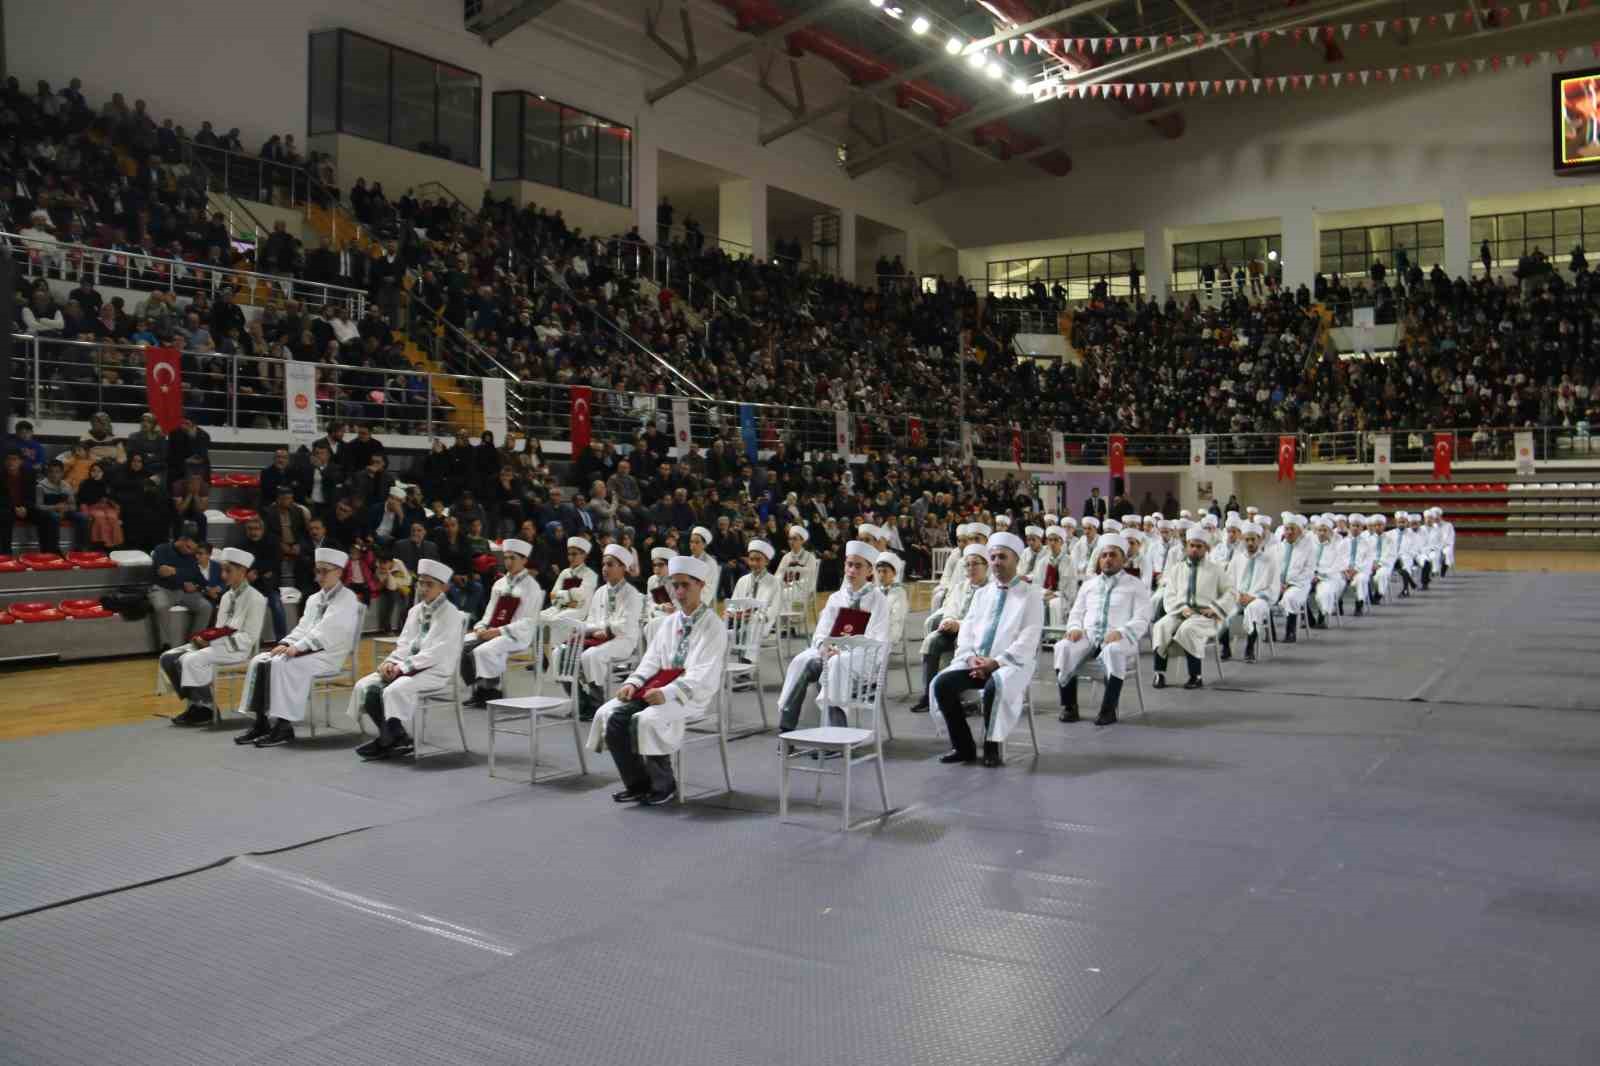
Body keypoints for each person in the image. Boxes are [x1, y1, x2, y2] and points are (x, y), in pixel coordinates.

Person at [587, 554, 726, 806]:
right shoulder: (669, 622)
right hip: (659, 686)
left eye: (686, 585)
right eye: (675, 585)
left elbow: (702, 673)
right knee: (611, 714)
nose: (680, 592)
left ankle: (664, 784)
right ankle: (637, 784)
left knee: (646, 719)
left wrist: (669, 692)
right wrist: (633, 683)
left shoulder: (713, 625)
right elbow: (651, 660)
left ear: (701, 586)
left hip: (691, 694)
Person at [930, 532, 1044, 768]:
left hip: (1013, 664)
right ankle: (964, 747)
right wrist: (971, 658)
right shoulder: (982, 594)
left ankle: (992, 746)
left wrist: (996, 662)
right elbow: (968, 631)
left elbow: (1029, 638)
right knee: (942, 684)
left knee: (995, 686)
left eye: (1002, 557)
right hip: (976, 662)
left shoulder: (1031, 594)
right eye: (992, 557)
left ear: (1015, 560)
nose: (996, 562)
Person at [233, 547, 362, 747]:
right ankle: (261, 722)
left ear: (338, 572)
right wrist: (285, 643)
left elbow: (328, 632)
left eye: (324, 571)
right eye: (317, 571)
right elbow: (303, 628)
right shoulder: (314, 598)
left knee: (284, 664)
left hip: (328, 655)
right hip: (309, 650)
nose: (319, 576)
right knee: (260, 660)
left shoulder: (347, 599)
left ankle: (284, 726)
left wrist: (298, 648)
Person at [346, 559, 465, 760]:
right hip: (407, 666)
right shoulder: (415, 610)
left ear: (443, 587)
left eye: (430, 584)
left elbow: (436, 652)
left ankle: (390, 739)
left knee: (393, 689)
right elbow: (404, 645)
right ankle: (395, 736)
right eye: (421, 583)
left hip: (435, 670)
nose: (424, 588)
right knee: (365, 686)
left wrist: (402, 667)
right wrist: (390, 663)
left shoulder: (451, 614)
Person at [776, 540, 889, 733]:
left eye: (858, 566)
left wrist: (846, 649)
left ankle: (837, 732)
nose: (852, 570)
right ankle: (787, 727)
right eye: (849, 564)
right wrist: (825, 646)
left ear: (869, 571)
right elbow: (822, 631)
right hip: (832, 653)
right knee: (802, 661)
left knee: (834, 666)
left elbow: (877, 639)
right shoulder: (836, 598)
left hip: (862, 658)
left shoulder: (878, 599)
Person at [159, 547, 267, 726]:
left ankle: (207, 708)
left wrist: (213, 642)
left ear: (242, 571)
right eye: (223, 570)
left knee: (189, 660)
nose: (223, 575)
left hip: (237, 649)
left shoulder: (256, 599)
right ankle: (196, 704)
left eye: (228, 571)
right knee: (168, 658)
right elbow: (219, 629)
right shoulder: (226, 596)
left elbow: (249, 637)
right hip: (219, 645)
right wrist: (205, 639)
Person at [1053, 533, 1153, 726]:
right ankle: (1069, 707)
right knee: (1063, 647)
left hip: (1121, 639)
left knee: (1114, 650)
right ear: (1099, 559)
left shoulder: (1135, 585)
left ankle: (1108, 709)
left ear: (1123, 559)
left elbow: (1142, 617)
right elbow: (1077, 612)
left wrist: (1122, 632)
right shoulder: (1089, 585)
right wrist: (1074, 628)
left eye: (1113, 555)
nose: (1108, 559)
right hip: (1089, 636)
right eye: (1104, 555)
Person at [461, 538, 543, 708]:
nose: (508, 562)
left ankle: (490, 689)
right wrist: (481, 627)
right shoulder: (499, 583)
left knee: (485, 650)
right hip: (494, 630)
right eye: (506, 558)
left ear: (524, 561)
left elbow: (528, 621)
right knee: (461, 643)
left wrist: (498, 631)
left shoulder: (531, 586)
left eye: (513, 558)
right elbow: (489, 611)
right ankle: (482, 689)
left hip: (515, 635)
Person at [1151, 527, 1231, 691]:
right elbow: (1170, 595)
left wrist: (1215, 608)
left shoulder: (1216, 570)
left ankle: (1196, 676)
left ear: (1207, 549)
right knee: (1160, 626)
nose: (1194, 549)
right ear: (1187, 546)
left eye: (1199, 546)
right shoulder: (1177, 569)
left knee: (1188, 629)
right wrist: (1181, 608)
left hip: (1204, 616)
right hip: (1179, 612)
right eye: (1191, 545)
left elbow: (1231, 592)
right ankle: (1159, 673)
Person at [911, 544, 988, 713]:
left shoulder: (990, 589)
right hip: (953, 629)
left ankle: (961, 698)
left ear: (986, 566)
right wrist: (948, 620)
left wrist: (959, 625)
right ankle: (928, 694)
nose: (971, 568)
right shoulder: (960, 586)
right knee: (931, 641)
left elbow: (984, 619)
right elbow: (950, 608)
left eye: (976, 564)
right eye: (967, 564)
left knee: (960, 647)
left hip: (976, 636)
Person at [572, 544, 645, 719]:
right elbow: (590, 620)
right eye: (604, 564)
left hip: (623, 640)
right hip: (599, 638)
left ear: (623, 568)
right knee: (562, 653)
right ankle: (581, 701)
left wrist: (605, 630)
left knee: (591, 656)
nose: (605, 569)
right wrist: (591, 631)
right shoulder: (600, 592)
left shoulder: (632, 594)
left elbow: (626, 625)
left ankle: (597, 702)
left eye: (610, 564)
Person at [1223, 522, 1278, 663]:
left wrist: (1254, 597)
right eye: (1247, 539)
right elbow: (1228, 583)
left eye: (1253, 539)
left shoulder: (1270, 560)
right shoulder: (1237, 559)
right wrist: (1237, 595)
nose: (1250, 543)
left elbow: (1274, 586)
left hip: (1260, 598)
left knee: (1254, 608)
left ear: (1260, 540)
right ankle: (1225, 648)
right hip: (1239, 597)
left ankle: (1249, 648)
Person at [149, 524, 212, 642]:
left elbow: (199, 578)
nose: (191, 552)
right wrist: (183, 575)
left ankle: (193, 643)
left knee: (206, 607)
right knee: (161, 606)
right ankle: (166, 646)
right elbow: (162, 572)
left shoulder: (191, 555)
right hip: (162, 589)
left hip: (182, 591)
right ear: (182, 539)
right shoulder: (162, 549)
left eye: (193, 550)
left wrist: (197, 586)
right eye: (188, 547)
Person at [1273, 515, 1316, 642]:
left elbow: (1308, 571)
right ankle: (1270, 633)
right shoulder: (1278, 547)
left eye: (1293, 529)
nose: (1289, 532)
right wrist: (1277, 583)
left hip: (1299, 584)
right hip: (1279, 584)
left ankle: (1290, 632)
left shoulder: (1308, 548)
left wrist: (1289, 584)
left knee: (1290, 598)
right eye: (1287, 529)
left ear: (1299, 531)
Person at [731, 539, 782, 643]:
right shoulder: (742, 580)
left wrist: (756, 618)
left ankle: (746, 659)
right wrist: (731, 612)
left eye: (758, 560)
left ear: (766, 561)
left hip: (762, 622)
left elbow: (774, 608)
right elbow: (733, 603)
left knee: (751, 629)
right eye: (751, 559)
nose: (754, 563)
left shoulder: (774, 582)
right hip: (740, 621)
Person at [540, 536, 597, 623]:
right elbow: (553, 596)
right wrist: (571, 598)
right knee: (539, 616)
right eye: (569, 554)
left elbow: (582, 597)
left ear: (584, 555)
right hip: (559, 607)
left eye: (574, 554)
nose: (570, 557)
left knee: (556, 620)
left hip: (579, 611)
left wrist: (562, 596)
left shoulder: (590, 574)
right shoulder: (564, 572)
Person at [775, 527, 818, 634]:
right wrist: (783, 581)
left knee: (788, 594)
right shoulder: (786, 557)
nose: (791, 542)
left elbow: (810, 577)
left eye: (795, 539)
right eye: (790, 539)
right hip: (787, 587)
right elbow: (778, 575)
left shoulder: (810, 557)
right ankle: (782, 623)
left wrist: (795, 582)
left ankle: (792, 622)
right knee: (777, 592)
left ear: (802, 541)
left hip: (803, 589)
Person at [642, 547, 679, 644]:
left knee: (655, 624)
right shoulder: (652, 580)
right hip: (656, 613)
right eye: (654, 565)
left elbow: (677, 605)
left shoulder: (676, 581)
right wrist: (661, 607)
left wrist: (670, 608)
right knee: (652, 623)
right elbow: (649, 602)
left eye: (660, 565)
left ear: (669, 565)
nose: (656, 568)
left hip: (673, 615)